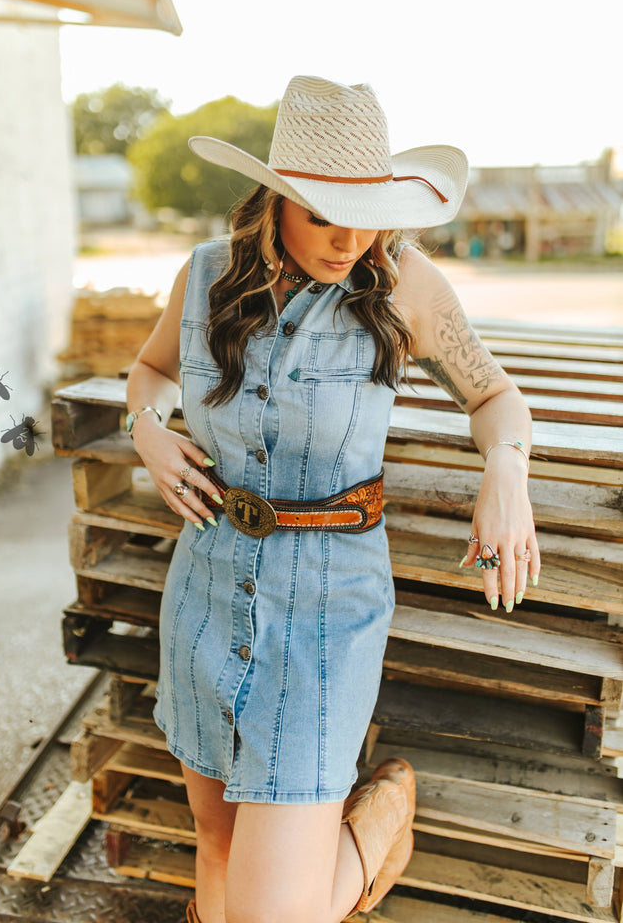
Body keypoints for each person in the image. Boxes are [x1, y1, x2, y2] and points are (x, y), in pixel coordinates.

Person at [125, 76, 540, 923]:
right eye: (322, 214)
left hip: (326, 605)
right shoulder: (205, 276)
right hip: (206, 584)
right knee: (217, 845)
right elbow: (151, 371)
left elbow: (495, 396)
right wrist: (147, 431)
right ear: (275, 201)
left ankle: (377, 818)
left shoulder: (403, 283)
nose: (350, 239)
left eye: (368, 213)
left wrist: (506, 473)